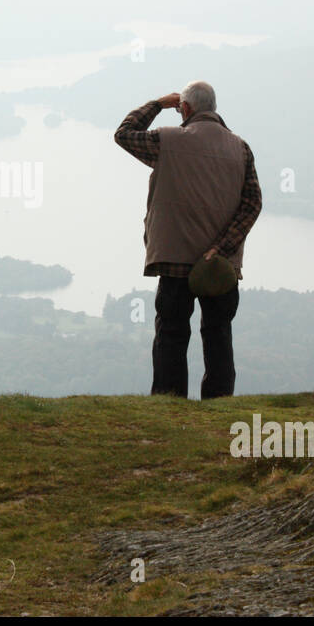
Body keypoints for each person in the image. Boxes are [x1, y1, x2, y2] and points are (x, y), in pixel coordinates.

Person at [114, 81, 262, 398]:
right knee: (218, 334)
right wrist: (219, 249)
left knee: (171, 333)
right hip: (220, 267)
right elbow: (252, 204)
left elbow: (124, 134)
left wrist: (156, 104)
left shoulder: (167, 142)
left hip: (174, 261)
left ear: (185, 108)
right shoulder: (240, 148)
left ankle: (169, 401)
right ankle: (219, 403)